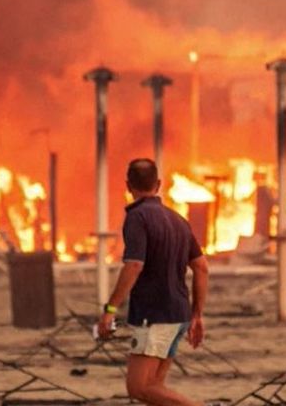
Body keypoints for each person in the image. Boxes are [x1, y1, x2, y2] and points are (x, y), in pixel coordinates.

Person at [98, 158, 209, 406]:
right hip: (178, 314)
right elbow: (201, 267)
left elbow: (134, 265)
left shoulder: (137, 217)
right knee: (155, 389)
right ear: (158, 185)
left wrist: (110, 309)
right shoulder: (178, 220)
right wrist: (197, 315)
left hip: (155, 316)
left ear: (128, 186)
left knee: (139, 388)